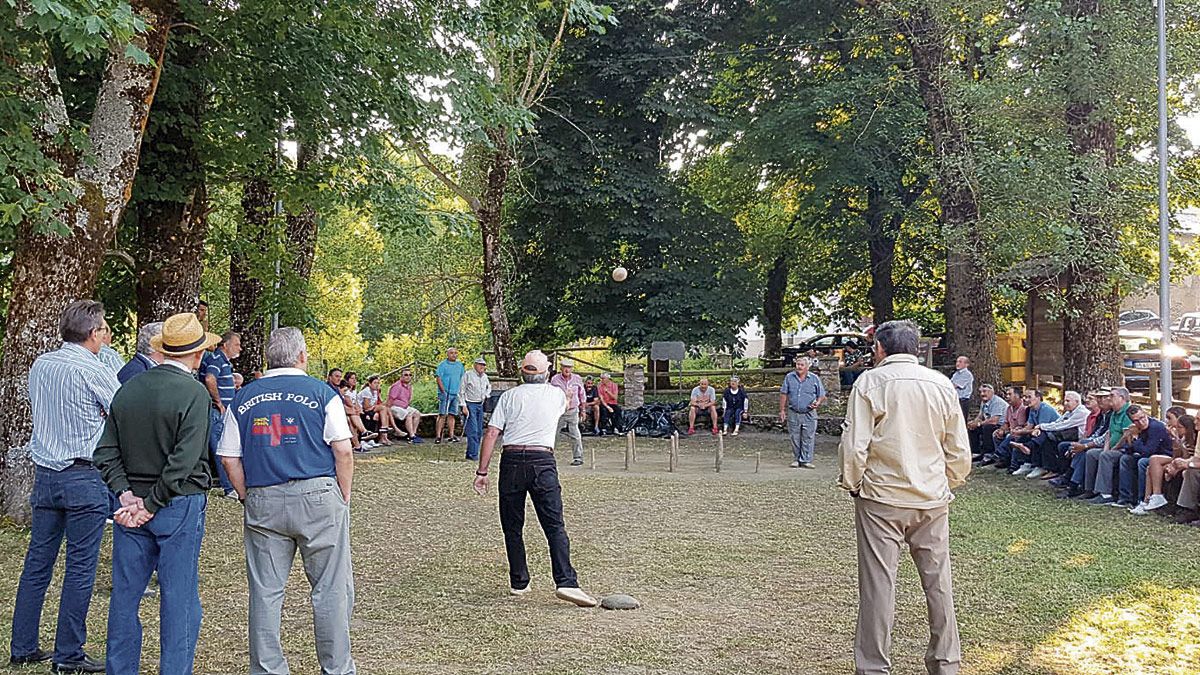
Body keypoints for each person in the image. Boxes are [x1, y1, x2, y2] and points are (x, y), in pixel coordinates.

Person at [217, 327, 357, 675]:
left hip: (264, 497)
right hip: (318, 495)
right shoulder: (322, 393)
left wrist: (247, 494)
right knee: (330, 589)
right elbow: (342, 448)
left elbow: (228, 457)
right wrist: (344, 494)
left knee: (266, 591)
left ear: (267, 357)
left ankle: (267, 669)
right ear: (302, 356)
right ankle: (337, 668)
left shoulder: (244, 397)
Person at [838, 319, 971, 675]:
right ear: (915, 349)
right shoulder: (942, 384)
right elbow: (958, 447)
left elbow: (855, 446)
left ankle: (873, 667)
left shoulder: (870, 382)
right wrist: (948, 482)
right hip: (931, 497)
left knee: (879, 586)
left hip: (881, 497)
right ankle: (946, 664)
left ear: (880, 349)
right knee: (939, 583)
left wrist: (852, 483)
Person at [93, 312, 218, 675]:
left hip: (132, 505)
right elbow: (185, 459)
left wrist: (125, 494)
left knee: (125, 597)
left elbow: (105, 451)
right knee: (178, 598)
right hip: (175, 503)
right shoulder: (194, 392)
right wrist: (150, 504)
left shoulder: (129, 388)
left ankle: (121, 669)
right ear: (197, 356)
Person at [10, 300, 119, 673]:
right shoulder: (92, 368)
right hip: (83, 473)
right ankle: (68, 654)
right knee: (80, 567)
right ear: (92, 334)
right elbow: (120, 409)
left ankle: (22, 644)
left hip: (45, 474)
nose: (106, 336)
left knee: (37, 563)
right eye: (103, 329)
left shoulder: (42, 365)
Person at [471, 350, 598, 608]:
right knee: (554, 525)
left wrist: (482, 472)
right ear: (548, 372)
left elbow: (492, 433)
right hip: (542, 460)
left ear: (522, 372)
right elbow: (567, 403)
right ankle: (566, 582)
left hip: (512, 460)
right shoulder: (556, 395)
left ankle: (519, 581)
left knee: (512, 525)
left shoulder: (508, 396)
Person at [201, 332, 241, 498]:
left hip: (221, 411)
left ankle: (229, 485)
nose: (240, 348)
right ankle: (228, 487)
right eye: (237, 344)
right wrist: (218, 402)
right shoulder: (217, 359)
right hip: (217, 412)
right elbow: (210, 379)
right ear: (225, 345)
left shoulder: (223, 362)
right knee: (221, 448)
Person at [1134, 414, 1196, 515]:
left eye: (1179, 427)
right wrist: (1175, 440)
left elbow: (1186, 457)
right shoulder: (1182, 438)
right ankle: (1147, 501)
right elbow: (1176, 455)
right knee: (1150, 467)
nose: (1168, 422)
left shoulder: (1193, 439)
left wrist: (1174, 466)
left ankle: (1158, 496)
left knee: (1153, 459)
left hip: (1186, 463)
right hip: (1178, 459)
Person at [1084, 387, 1134, 506]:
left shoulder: (1128, 412)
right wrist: (1106, 448)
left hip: (1124, 449)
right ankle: (1089, 490)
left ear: (1122, 398)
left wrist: (1113, 449)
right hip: (1112, 446)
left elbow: (1126, 435)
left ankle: (1106, 494)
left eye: (1112, 396)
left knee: (1106, 456)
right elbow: (1109, 433)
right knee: (1091, 454)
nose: (1109, 398)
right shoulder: (1114, 412)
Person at [1026, 390, 1089, 480]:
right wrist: (1039, 428)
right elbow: (1057, 422)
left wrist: (1040, 426)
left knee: (1049, 439)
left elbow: (1062, 425)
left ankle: (1051, 469)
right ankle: (1042, 466)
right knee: (1045, 436)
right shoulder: (1069, 412)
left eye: (1068, 401)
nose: (1065, 403)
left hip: (1079, 439)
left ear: (1077, 402)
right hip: (1067, 436)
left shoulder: (1081, 412)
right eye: (1065, 400)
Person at [779, 357, 826, 469]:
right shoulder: (789, 377)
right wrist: (782, 410)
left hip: (809, 413)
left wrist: (817, 403)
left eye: (801, 365)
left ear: (807, 367)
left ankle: (806, 460)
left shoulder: (814, 378)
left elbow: (822, 394)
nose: (799, 367)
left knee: (808, 437)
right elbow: (783, 394)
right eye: (797, 364)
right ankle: (796, 459)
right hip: (793, 412)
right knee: (794, 437)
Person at [1006, 390, 1058, 476]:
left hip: (1053, 434)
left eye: (1029, 397)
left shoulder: (1045, 409)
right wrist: (1019, 431)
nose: (1026, 399)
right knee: (1024, 436)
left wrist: (1025, 431)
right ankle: (1026, 464)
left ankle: (1038, 466)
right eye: (1025, 397)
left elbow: (1041, 428)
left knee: (1038, 436)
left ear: (1038, 398)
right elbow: (1029, 426)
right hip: (1041, 432)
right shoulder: (1032, 410)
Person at [550, 359, 586, 465]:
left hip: (573, 410)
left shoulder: (577, 379)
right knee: (553, 434)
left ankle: (578, 457)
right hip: (559, 411)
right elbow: (551, 395)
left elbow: (582, 395)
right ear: (561, 368)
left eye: (569, 367)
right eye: (565, 367)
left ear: (572, 369)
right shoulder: (555, 379)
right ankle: (549, 456)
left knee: (575, 434)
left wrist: (583, 410)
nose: (567, 369)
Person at [461, 356, 492, 461]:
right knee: (472, 430)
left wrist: (486, 395)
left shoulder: (485, 377)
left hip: (480, 404)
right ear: (475, 365)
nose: (482, 367)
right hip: (470, 404)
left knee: (479, 430)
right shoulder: (468, 375)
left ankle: (472, 452)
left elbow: (489, 387)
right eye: (480, 364)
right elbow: (461, 391)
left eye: (483, 365)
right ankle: (473, 454)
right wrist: (463, 405)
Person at [988, 387, 1027, 470]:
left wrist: (1010, 431)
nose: (1007, 396)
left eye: (1010, 394)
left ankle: (999, 453)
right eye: (1006, 394)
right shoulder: (1009, 408)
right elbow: (1006, 423)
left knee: (1010, 436)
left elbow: (1021, 426)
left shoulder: (1023, 408)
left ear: (1017, 396)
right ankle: (1003, 460)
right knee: (996, 434)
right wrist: (1002, 429)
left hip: (1020, 432)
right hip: (1010, 430)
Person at [967, 384, 1007, 464]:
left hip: (1001, 425)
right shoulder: (984, 402)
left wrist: (978, 424)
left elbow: (994, 420)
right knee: (972, 428)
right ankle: (976, 453)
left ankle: (989, 454)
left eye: (984, 391)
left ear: (992, 392)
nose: (982, 394)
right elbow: (980, 416)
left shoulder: (997, 402)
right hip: (988, 423)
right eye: (980, 392)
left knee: (987, 428)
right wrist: (973, 423)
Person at [435, 348, 465, 444]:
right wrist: (443, 391)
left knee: (452, 414)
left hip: (456, 393)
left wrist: (461, 392)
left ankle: (451, 435)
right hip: (445, 393)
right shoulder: (442, 365)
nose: (454, 355)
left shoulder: (459, 365)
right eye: (452, 353)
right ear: (447, 354)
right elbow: (438, 378)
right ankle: (438, 436)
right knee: (442, 414)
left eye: (456, 353)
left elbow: (462, 378)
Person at [387, 368, 424, 444]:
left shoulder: (409, 386)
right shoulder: (397, 386)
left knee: (417, 413)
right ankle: (411, 436)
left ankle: (414, 434)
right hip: (394, 407)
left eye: (410, 375)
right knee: (408, 414)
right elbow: (390, 400)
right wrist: (388, 411)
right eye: (406, 375)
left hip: (404, 406)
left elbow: (408, 400)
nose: (408, 376)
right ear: (401, 376)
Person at [358, 375, 396, 440]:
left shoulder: (375, 391)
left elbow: (376, 404)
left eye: (378, 383)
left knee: (384, 411)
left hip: (371, 409)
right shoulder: (366, 391)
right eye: (375, 383)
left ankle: (384, 437)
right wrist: (376, 407)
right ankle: (384, 427)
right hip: (363, 410)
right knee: (383, 408)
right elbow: (366, 407)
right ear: (369, 384)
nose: (377, 385)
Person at [950, 355, 973, 421]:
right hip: (955, 400)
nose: (957, 364)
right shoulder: (956, 374)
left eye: (960, 362)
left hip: (962, 401)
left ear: (966, 364)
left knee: (961, 420)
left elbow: (953, 386)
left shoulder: (967, 374)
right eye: (957, 362)